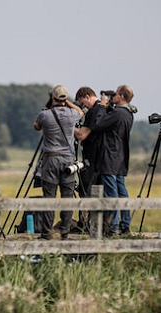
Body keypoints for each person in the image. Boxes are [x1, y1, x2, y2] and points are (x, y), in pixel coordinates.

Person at [33, 85, 84, 240]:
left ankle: (47, 232)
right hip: (68, 159)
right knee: (67, 196)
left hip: (51, 159)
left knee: (49, 196)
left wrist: (50, 104)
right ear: (66, 98)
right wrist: (67, 102)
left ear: (52, 97)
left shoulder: (45, 115)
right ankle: (64, 231)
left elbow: (36, 126)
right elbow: (81, 112)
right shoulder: (73, 113)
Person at [90, 85, 136, 236]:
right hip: (120, 157)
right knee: (122, 191)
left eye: (115, 94)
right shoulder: (128, 114)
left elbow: (97, 124)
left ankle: (113, 226)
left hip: (110, 157)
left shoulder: (118, 113)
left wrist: (102, 107)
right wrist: (109, 106)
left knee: (111, 192)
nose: (113, 96)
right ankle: (125, 224)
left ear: (122, 96)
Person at [74, 86, 105, 231]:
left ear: (87, 96)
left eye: (82, 103)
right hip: (99, 158)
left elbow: (81, 135)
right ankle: (95, 225)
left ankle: (86, 225)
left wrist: (67, 125)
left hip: (92, 159)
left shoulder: (94, 112)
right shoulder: (102, 109)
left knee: (86, 191)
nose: (83, 106)